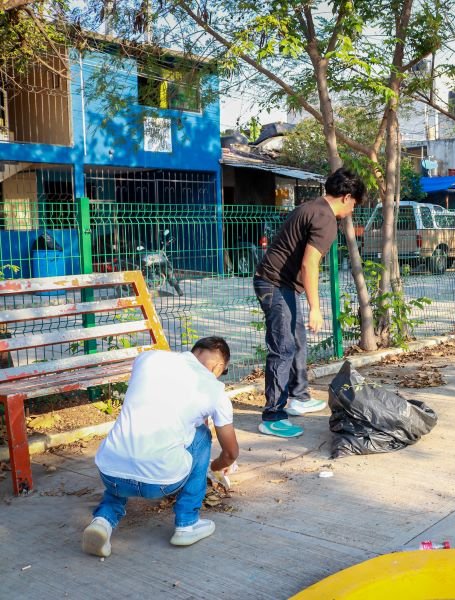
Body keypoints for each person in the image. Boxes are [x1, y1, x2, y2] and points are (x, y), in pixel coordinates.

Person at [82, 337, 238, 557]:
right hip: (161, 483)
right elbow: (231, 452)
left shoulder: (148, 359)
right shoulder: (215, 391)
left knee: (128, 450)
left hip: (110, 472)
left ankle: (102, 521)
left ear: (194, 352)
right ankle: (187, 522)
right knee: (202, 435)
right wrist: (215, 466)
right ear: (219, 367)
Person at [254, 167, 364, 438]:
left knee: (296, 340)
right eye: (354, 205)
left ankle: (298, 397)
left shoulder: (312, 207)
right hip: (275, 284)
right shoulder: (325, 218)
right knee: (283, 348)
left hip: (280, 283)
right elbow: (309, 264)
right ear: (346, 197)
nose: (352, 211)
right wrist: (316, 308)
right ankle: (272, 415)